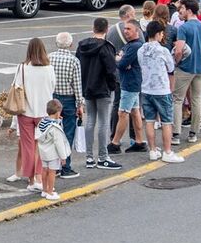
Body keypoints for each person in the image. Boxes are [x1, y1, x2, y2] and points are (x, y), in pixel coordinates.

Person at [10, 37, 57, 187]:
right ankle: (39, 177)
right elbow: (53, 87)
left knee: (27, 147)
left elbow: (16, 87)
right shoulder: (49, 68)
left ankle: (31, 179)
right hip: (44, 112)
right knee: (42, 146)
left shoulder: (22, 68)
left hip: (26, 112)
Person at [77, 18, 121, 170]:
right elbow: (110, 69)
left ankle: (89, 157)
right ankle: (103, 156)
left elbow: (78, 65)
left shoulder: (82, 45)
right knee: (103, 122)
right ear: (107, 29)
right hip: (102, 88)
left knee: (90, 121)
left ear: (93, 28)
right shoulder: (106, 47)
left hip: (87, 87)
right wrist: (112, 85)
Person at [138, 22, 185, 163]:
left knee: (150, 121)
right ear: (158, 34)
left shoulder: (140, 50)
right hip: (161, 89)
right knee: (166, 122)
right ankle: (167, 151)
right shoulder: (163, 50)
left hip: (146, 88)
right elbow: (171, 67)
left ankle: (152, 150)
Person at [173, 0, 201, 144]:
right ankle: (193, 133)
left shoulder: (184, 28)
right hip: (200, 68)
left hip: (185, 67)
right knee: (196, 99)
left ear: (189, 11)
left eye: (181, 9)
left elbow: (179, 49)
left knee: (178, 99)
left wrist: (177, 62)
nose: (179, 12)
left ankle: (176, 133)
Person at [49, 33, 85, 180]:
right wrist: (80, 105)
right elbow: (77, 85)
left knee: (52, 133)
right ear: (70, 45)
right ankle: (65, 166)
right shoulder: (74, 61)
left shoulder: (49, 57)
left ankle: (54, 166)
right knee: (67, 134)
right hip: (69, 100)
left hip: (53, 97)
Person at [109, 19, 147, 154]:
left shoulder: (134, 47)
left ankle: (115, 143)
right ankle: (139, 141)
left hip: (130, 84)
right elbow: (121, 60)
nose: (125, 31)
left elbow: (121, 64)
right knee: (135, 112)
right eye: (125, 29)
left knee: (123, 112)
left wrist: (119, 59)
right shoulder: (131, 46)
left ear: (137, 31)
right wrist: (120, 59)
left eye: (129, 29)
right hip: (132, 82)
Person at [34, 100, 70, 201]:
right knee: (52, 172)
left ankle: (44, 190)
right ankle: (50, 192)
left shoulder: (42, 122)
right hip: (53, 154)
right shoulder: (55, 128)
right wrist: (63, 157)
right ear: (58, 112)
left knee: (44, 171)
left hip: (43, 152)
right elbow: (59, 143)